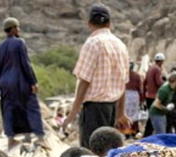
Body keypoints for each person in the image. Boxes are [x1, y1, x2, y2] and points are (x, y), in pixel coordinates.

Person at [64, 4, 131, 149]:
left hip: (94, 110)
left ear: (89, 24)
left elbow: (84, 81)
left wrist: (73, 112)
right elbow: (122, 83)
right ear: (109, 23)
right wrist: (121, 112)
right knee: (109, 153)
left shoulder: (92, 43)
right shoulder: (120, 45)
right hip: (112, 109)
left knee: (91, 155)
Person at [0, 18, 45, 148]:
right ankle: (40, 137)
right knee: (31, 107)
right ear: (13, 29)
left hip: (4, 84)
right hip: (20, 81)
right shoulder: (19, 43)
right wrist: (33, 82)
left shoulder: (0, 47)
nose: (19, 30)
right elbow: (26, 64)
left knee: (8, 110)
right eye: (17, 27)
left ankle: (11, 139)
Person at [148, 71, 176, 136]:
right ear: (175, 81)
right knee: (161, 134)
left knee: (158, 132)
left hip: (162, 114)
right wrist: (166, 109)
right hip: (156, 113)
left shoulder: (171, 89)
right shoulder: (165, 90)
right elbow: (156, 104)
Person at [142, 52, 165, 134]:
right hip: (154, 96)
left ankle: (147, 133)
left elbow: (144, 82)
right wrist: (166, 84)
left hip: (148, 95)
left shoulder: (150, 68)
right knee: (154, 116)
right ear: (161, 61)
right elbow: (159, 82)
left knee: (150, 115)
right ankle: (148, 134)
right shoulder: (157, 69)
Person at [124, 62, 143, 136]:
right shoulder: (137, 75)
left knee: (126, 114)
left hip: (125, 95)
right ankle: (133, 131)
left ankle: (126, 132)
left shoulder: (124, 75)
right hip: (134, 95)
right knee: (134, 115)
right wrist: (141, 98)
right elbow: (140, 88)